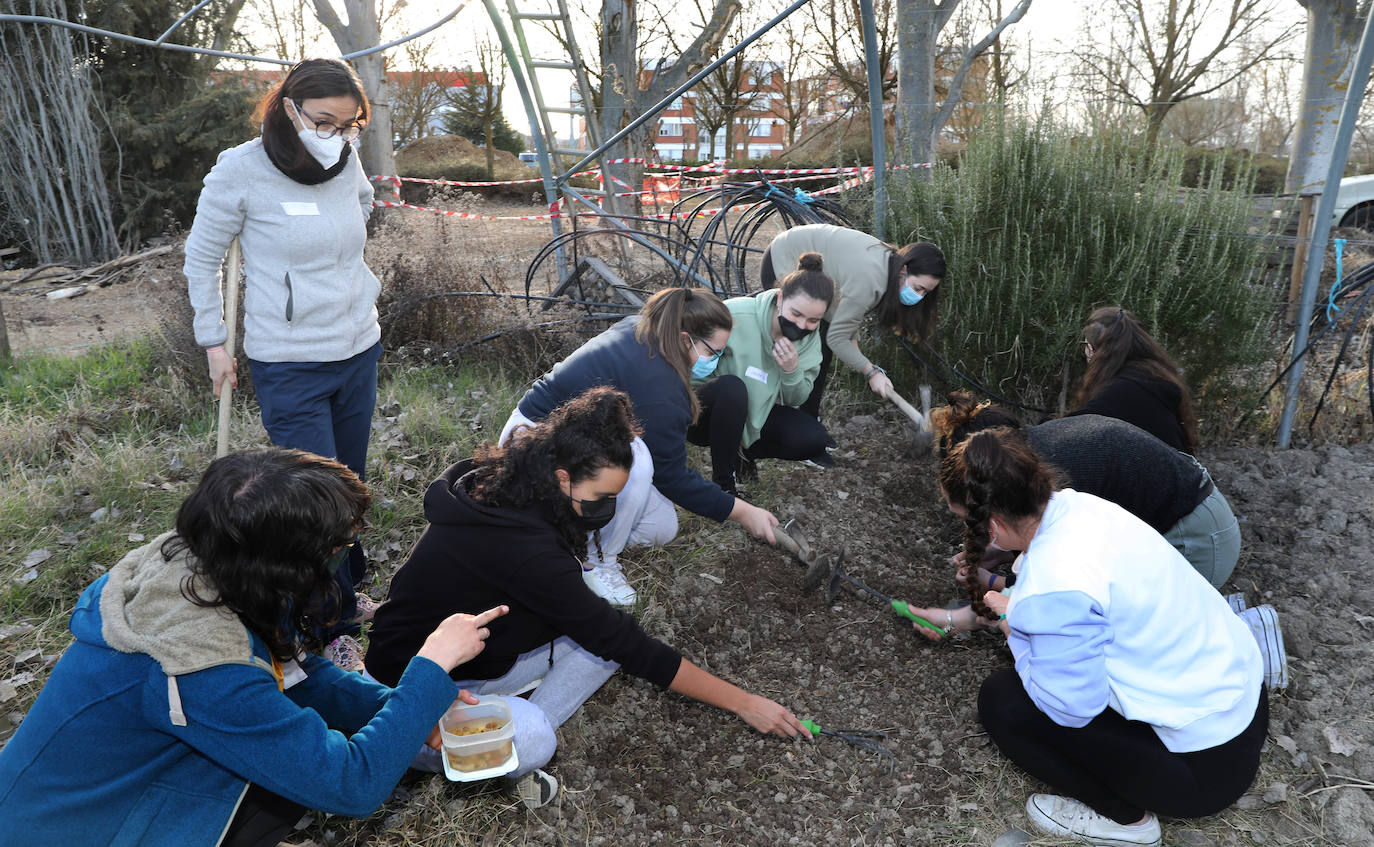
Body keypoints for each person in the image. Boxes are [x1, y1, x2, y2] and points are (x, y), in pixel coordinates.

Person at [0, 449, 508, 847]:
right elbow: (352, 784)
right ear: (289, 561)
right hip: (66, 832)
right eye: (339, 546)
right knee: (286, 780)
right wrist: (430, 667)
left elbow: (298, 672)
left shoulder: (222, 562)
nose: (347, 553)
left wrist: (405, 708)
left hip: (118, 791)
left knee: (280, 773)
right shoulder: (196, 662)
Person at [364, 387, 811, 808]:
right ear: (562, 476)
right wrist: (744, 702)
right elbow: (629, 645)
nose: (608, 508)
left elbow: (609, 636)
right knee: (540, 735)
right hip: (406, 695)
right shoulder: (525, 550)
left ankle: (505, 728)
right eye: (602, 497)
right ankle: (465, 748)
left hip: (474, 654)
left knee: (599, 646)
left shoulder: (514, 484)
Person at [928, 428, 1267, 847]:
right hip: (1245, 701)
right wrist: (1003, 590)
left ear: (994, 526)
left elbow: (1071, 708)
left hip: (1204, 771)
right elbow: (1077, 599)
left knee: (1003, 701)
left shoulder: (1054, 581)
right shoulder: (1081, 507)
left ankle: (1126, 822)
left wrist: (1010, 624)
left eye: (966, 520)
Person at [183, 58, 382, 667]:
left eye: (350, 125)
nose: (337, 134)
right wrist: (215, 340)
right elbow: (202, 257)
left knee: (348, 481)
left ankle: (346, 595)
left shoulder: (346, 162)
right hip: (290, 361)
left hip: (358, 348)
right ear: (290, 108)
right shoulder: (240, 170)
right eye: (324, 121)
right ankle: (323, 626)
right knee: (311, 500)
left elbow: (365, 205)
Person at [500, 287, 780, 606]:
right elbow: (673, 477)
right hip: (532, 442)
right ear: (686, 338)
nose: (715, 361)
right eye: (714, 351)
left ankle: (567, 536)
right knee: (639, 460)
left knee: (660, 527)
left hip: (570, 440)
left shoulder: (648, 329)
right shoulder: (659, 389)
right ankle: (596, 561)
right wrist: (743, 512)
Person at [930, 392, 1240, 588]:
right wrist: (998, 546)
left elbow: (1067, 587)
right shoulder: (1034, 454)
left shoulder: (1060, 479)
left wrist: (997, 583)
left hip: (1196, 542)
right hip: (1198, 513)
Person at [761, 223, 946, 418]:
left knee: (822, 347)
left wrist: (865, 364)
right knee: (797, 339)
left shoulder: (890, 266)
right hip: (783, 256)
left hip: (817, 266)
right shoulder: (871, 279)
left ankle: (806, 419)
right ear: (904, 271)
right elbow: (837, 338)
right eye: (918, 288)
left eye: (926, 292)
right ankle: (773, 413)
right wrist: (872, 372)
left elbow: (848, 320)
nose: (920, 296)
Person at [689, 253, 835, 490]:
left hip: (755, 413)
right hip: (704, 412)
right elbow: (692, 365)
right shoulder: (734, 316)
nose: (801, 326)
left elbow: (797, 398)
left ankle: (743, 455)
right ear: (780, 298)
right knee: (732, 390)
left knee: (813, 439)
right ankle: (724, 484)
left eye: (813, 320)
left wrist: (791, 371)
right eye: (796, 314)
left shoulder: (809, 341)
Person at [1071, 306, 1199, 453]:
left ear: (1095, 350)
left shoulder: (1123, 390)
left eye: (1086, 345)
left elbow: (1076, 428)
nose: (1085, 351)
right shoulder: (1149, 375)